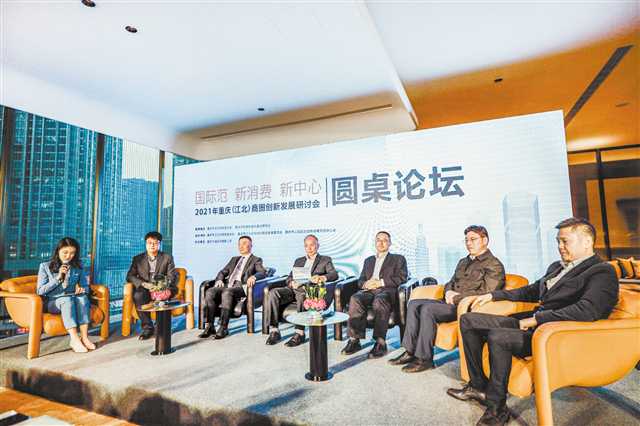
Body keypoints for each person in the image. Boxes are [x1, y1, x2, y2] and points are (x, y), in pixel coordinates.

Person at [447, 217, 618, 426]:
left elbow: (588, 310)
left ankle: (497, 409)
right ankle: (478, 386)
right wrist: (493, 296)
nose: (560, 246)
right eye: (558, 241)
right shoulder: (557, 267)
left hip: (555, 332)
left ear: (587, 242)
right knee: (468, 320)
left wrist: (537, 319)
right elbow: (531, 291)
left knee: (499, 337)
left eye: (565, 241)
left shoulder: (602, 271)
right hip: (534, 322)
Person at [389, 225, 505, 373]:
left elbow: (486, 293)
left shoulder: (494, 264)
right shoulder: (463, 261)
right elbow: (451, 282)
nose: (468, 243)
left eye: (473, 239)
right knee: (414, 303)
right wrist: (448, 291)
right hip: (449, 302)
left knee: (427, 309)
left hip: (466, 307)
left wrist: (456, 298)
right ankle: (410, 351)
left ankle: (424, 359)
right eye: (466, 240)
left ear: (485, 240)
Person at [341, 231, 408, 359]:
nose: (381, 243)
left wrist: (380, 282)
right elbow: (361, 280)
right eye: (378, 240)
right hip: (369, 291)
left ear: (390, 243)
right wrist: (366, 284)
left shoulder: (398, 259)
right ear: (375, 243)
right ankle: (354, 340)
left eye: (385, 240)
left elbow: (402, 278)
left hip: (386, 291)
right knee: (355, 298)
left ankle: (380, 342)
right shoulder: (369, 260)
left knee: (380, 300)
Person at [264, 234, 338, 347]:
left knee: (303, 294)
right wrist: (291, 283)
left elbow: (334, 274)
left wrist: (322, 277)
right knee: (273, 293)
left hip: (308, 291)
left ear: (317, 246)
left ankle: (299, 333)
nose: (309, 248)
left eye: (312, 245)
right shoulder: (299, 260)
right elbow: (289, 277)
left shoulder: (325, 260)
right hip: (294, 289)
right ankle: (274, 330)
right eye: (306, 246)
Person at [199, 235, 268, 339]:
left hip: (242, 287)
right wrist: (219, 279)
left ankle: (223, 327)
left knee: (227, 292)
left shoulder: (256, 260)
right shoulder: (234, 259)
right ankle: (210, 326)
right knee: (210, 291)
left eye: (244, 243)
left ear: (251, 245)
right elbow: (223, 271)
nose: (241, 246)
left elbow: (262, 272)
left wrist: (254, 276)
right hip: (228, 285)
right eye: (239, 244)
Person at [36, 237, 95, 353]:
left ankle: (84, 338)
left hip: (73, 298)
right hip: (53, 302)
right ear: (58, 251)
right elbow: (40, 290)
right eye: (65, 252)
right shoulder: (45, 266)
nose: (69, 256)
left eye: (72, 253)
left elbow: (86, 286)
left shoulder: (78, 266)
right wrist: (58, 277)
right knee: (66, 300)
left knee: (83, 299)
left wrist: (82, 289)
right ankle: (74, 339)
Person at [126, 231, 178, 340]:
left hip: (162, 287)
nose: (152, 245)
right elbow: (130, 276)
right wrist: (144, 284)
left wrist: (160, 286)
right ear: (146, 244)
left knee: (164, 295)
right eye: (150, 243)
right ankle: (147, 327)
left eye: (155, 243)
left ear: (159, 244)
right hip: (145, 288)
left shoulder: (167, 257)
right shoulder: (138, 259)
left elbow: (172, 276)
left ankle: (161, 325)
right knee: (138, 295)